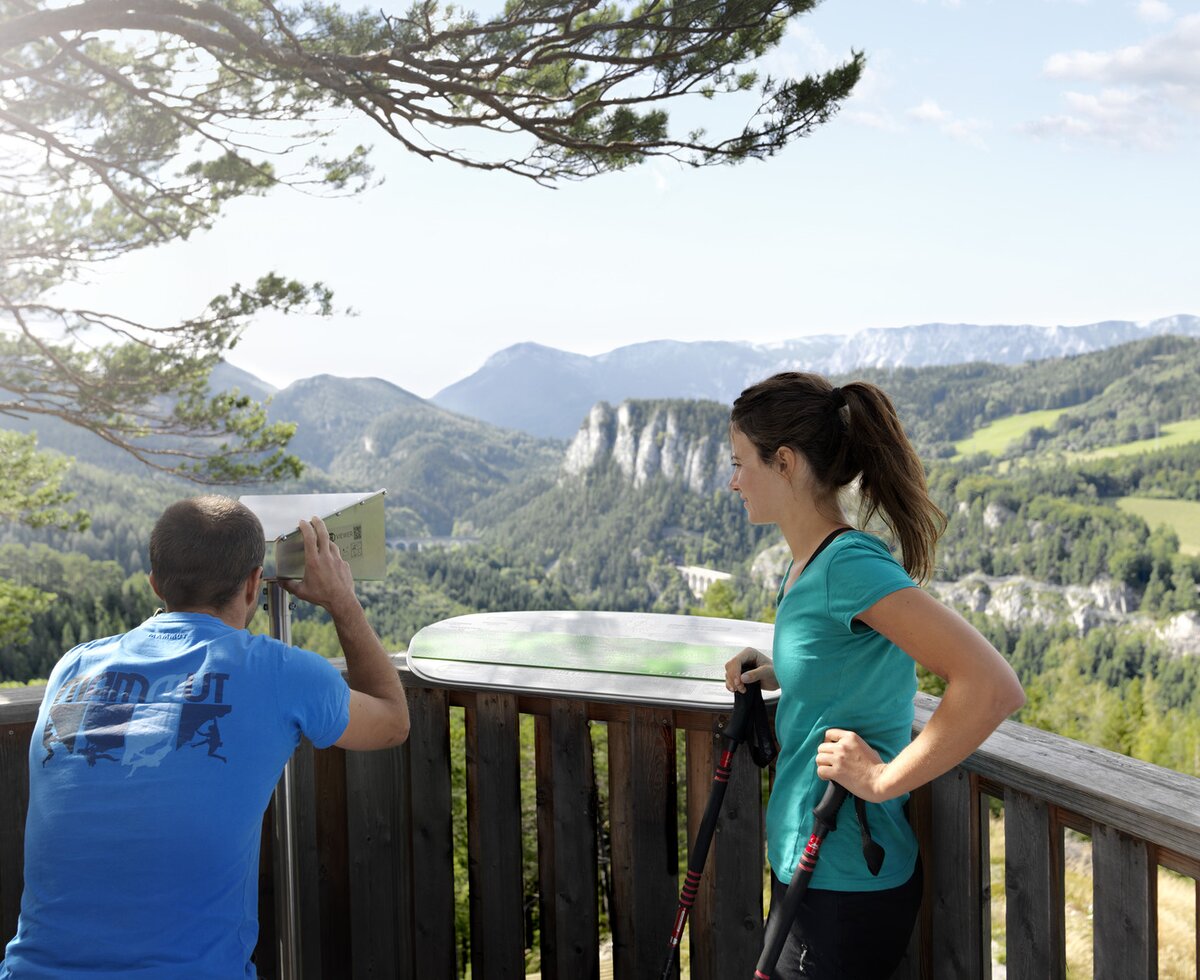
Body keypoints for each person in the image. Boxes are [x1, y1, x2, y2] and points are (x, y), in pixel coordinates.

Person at [1, 495, 410, 979]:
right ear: (255, 584)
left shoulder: (75, 666)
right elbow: (392, 721)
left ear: (155, 583)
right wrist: (342, 600)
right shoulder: (279, 673)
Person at [723, 372, 1024, 979]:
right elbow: (853, 659)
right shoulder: (810, 561)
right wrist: (786, 671)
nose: (733, 481)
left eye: (740, 462)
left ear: (784, 462)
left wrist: (884, 778)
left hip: (843, 875)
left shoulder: (848, 565)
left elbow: (991, 685)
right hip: (808, 858)